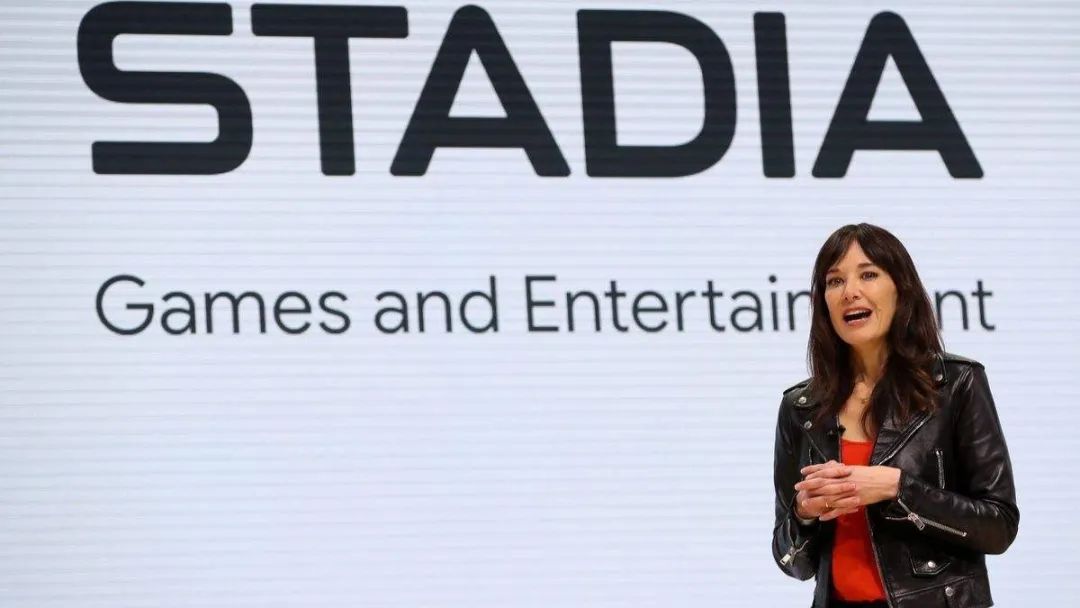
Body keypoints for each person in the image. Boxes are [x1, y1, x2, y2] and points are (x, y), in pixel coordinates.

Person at [771, 223, 1018, 608]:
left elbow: (999, 526)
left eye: (868, 274)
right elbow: (794, 564)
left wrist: (898, 488)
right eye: (834, 281)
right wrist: (804, 514)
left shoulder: (956, 384)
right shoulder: (801, 407)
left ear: (901, 288)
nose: (850, 291)